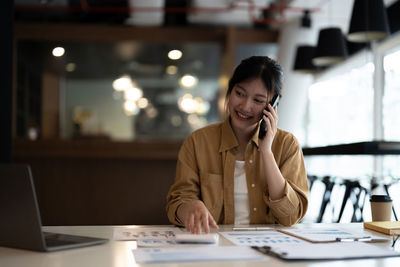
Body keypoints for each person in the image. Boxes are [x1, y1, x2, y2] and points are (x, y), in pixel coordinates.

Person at [166, 56, 308, 234]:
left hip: (267, 250)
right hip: (214, 248)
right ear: (230, 91)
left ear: (273, 105)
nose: (245, 106)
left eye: (258, 100)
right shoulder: (198, 142)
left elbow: (291, 216)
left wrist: (266, 152)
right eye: (239, 94)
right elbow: (176, 203)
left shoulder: (287, 145)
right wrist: (188, 207)